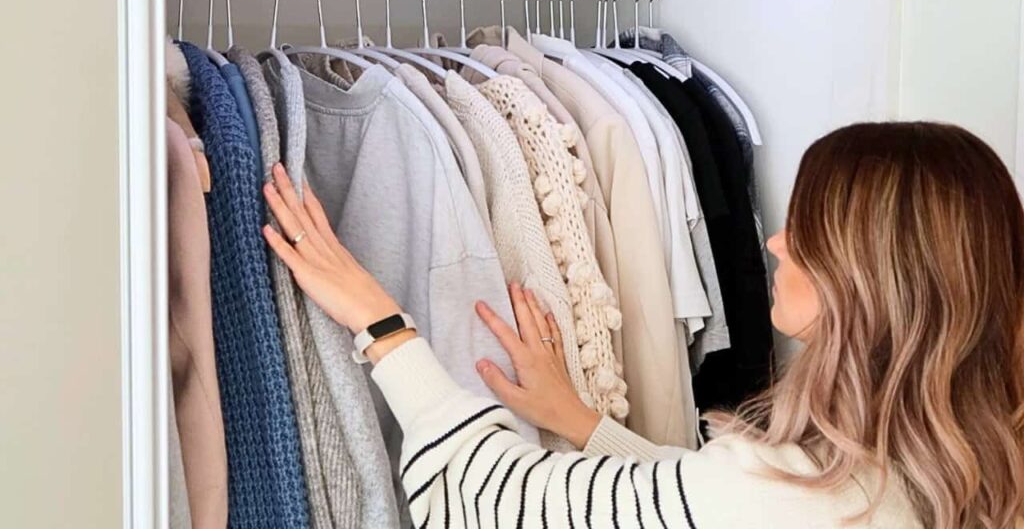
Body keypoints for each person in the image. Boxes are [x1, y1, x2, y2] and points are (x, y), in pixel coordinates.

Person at [261, 122, 1024, 528]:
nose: (776, 241)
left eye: (808, 228)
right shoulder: (975, 464)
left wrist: (380, 321)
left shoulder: (797, 490)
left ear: (866, 279)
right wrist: (585, 423)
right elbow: (691, 508)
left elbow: (488, 498)